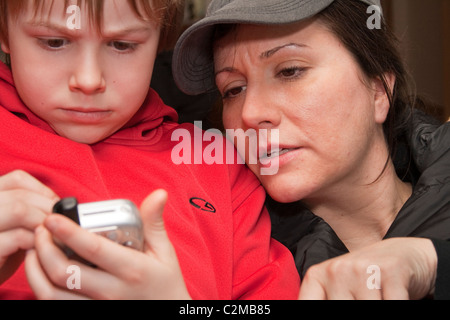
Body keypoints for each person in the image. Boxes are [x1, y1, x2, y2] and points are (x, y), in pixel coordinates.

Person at [0, 0, 300, 300]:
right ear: (4, 32)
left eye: (122, 45)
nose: (89, 80)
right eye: (54, 42)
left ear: (159, 39)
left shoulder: (217, 165)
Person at [172, 0, 450, 299]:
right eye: (233, 89)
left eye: (290, 71)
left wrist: (438, 265)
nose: (250, 112)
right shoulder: (235, 265)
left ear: (378, 90)